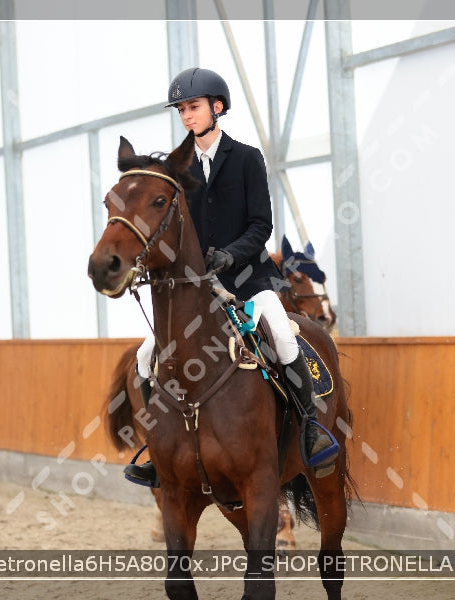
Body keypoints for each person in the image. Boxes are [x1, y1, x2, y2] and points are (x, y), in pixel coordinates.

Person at [124, 67, 337, 488]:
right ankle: (157, 447)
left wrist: (229, 254)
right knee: (147, 356)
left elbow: (261, 225)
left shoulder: (246, 158)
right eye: (182, 109)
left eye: (194, 107)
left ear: (217, 108)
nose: (186, 116)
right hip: (196, 292)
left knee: (282, 334)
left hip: (249, 279)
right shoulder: (176, 169)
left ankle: (310, 430)